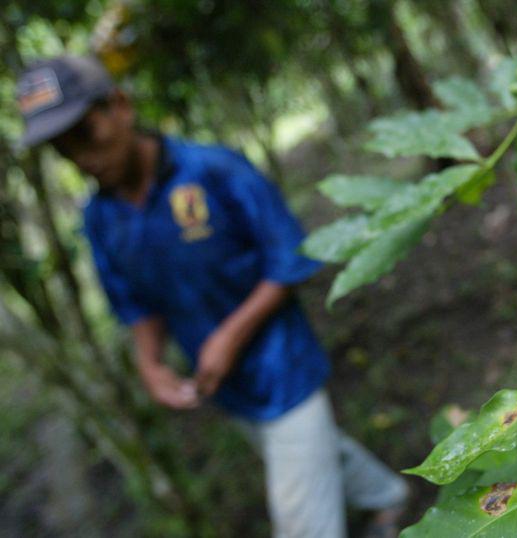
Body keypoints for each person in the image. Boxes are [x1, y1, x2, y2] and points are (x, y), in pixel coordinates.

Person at [15, 55, 408, 538]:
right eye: (62, 149)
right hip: (224, 384)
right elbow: (135, 302)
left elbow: (289, 259)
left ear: (120, 106)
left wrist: (229, 336)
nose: (81, 158)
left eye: (84, 135)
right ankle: (388, 498)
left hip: (283, 368)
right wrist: (151, 365)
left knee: (302, 519)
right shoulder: (100, 220)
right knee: (316, 450)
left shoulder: (214, 170)